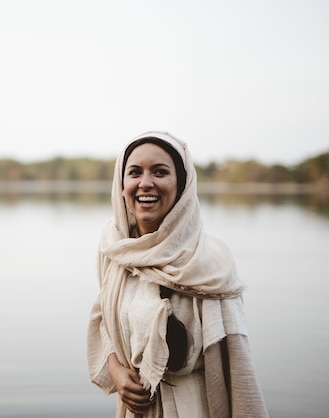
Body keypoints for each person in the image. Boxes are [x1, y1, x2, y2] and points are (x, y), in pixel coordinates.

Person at [86, 131, 268, 417]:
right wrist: (117, 370)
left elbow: (238, 367)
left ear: (182, 184)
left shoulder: (210, 265)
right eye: (134, 172)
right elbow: (106, 321)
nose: (145, 183)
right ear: (121, 184)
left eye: (160, 172)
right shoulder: (115, 248)